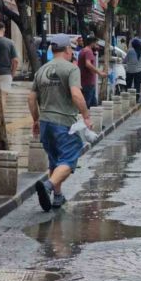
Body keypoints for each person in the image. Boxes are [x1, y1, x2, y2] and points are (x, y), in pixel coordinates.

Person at [28, 34, 92, 211]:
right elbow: (76, 94)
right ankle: (48, 186)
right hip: (64, 122)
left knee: (55, 160)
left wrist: (36, 120)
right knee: (69, 158)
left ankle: (57, 196)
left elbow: (31, 98)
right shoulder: (71, 69)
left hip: (46, 122)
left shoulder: (41, 71)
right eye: (71, 48)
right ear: (67, 50)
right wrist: (86, 116)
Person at [78, 37, 106, 108]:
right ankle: (84, 118)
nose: (97, 46)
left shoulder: (83, 50)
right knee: (86, 106)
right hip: (88, 83)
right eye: (96, 44)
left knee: (94, 106)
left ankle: (91, 118)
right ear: (92, 43)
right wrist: (99, 73)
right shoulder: (88, 51)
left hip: (85, 82)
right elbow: (88, 64)